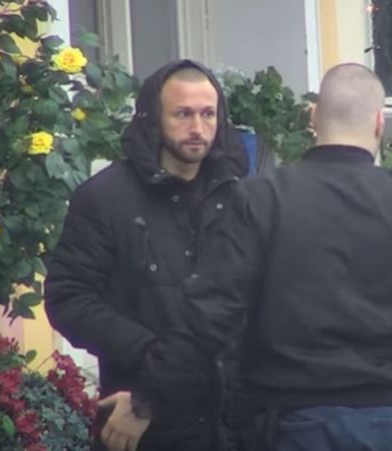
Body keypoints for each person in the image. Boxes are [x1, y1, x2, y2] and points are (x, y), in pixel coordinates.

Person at [140, 62, 392, 451]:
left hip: (294, 424)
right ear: (379, 123)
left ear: (313, 118)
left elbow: (209, 314)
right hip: (386, 423)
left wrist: (147, 401)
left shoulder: (262, 198)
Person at [44, 59, 248, 451]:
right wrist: (148, 355)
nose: (197, 128)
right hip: (140, 420)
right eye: (183, 114)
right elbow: (68, 297)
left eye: (208, 114)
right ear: (153, 118)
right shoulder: (106, 198)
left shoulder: (241, 198)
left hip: (235, 425)